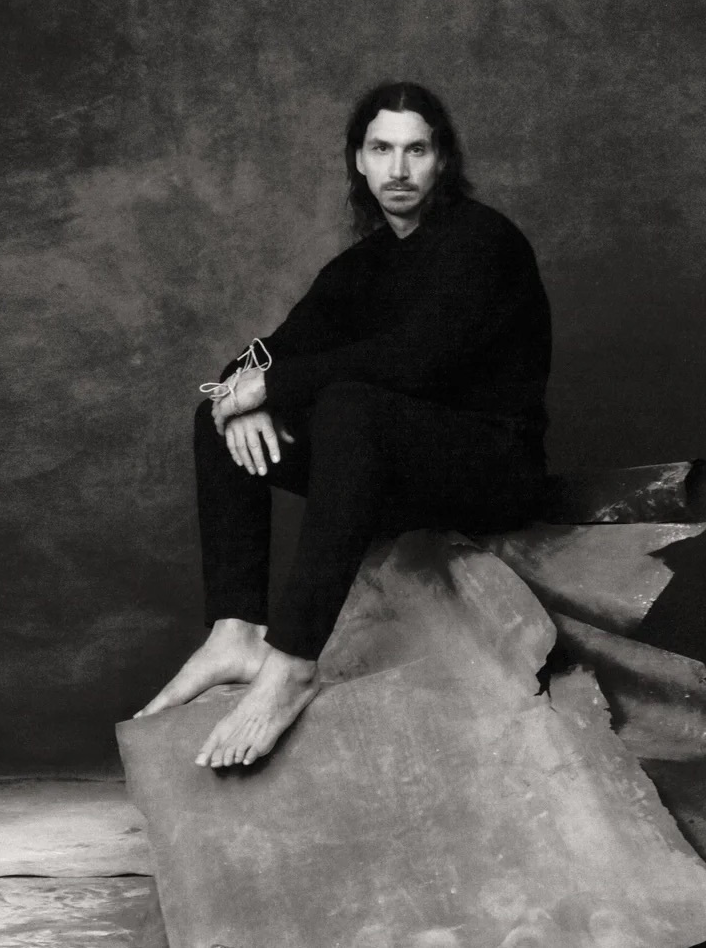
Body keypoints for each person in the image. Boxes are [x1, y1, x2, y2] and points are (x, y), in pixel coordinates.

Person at [136, 81, 552, 769]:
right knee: (218, 420)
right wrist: (240, 391)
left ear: (443, 160)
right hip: (393, 473)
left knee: (349, 405)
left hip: (494, 470)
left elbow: (416, 359)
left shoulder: (484, 242)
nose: (398, 169)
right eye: (381, 149)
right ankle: (236, 632)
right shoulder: (362, 267)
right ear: (358, 159)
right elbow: (273, 350)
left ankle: (293, 663)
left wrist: (269, 386)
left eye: (416, 150)